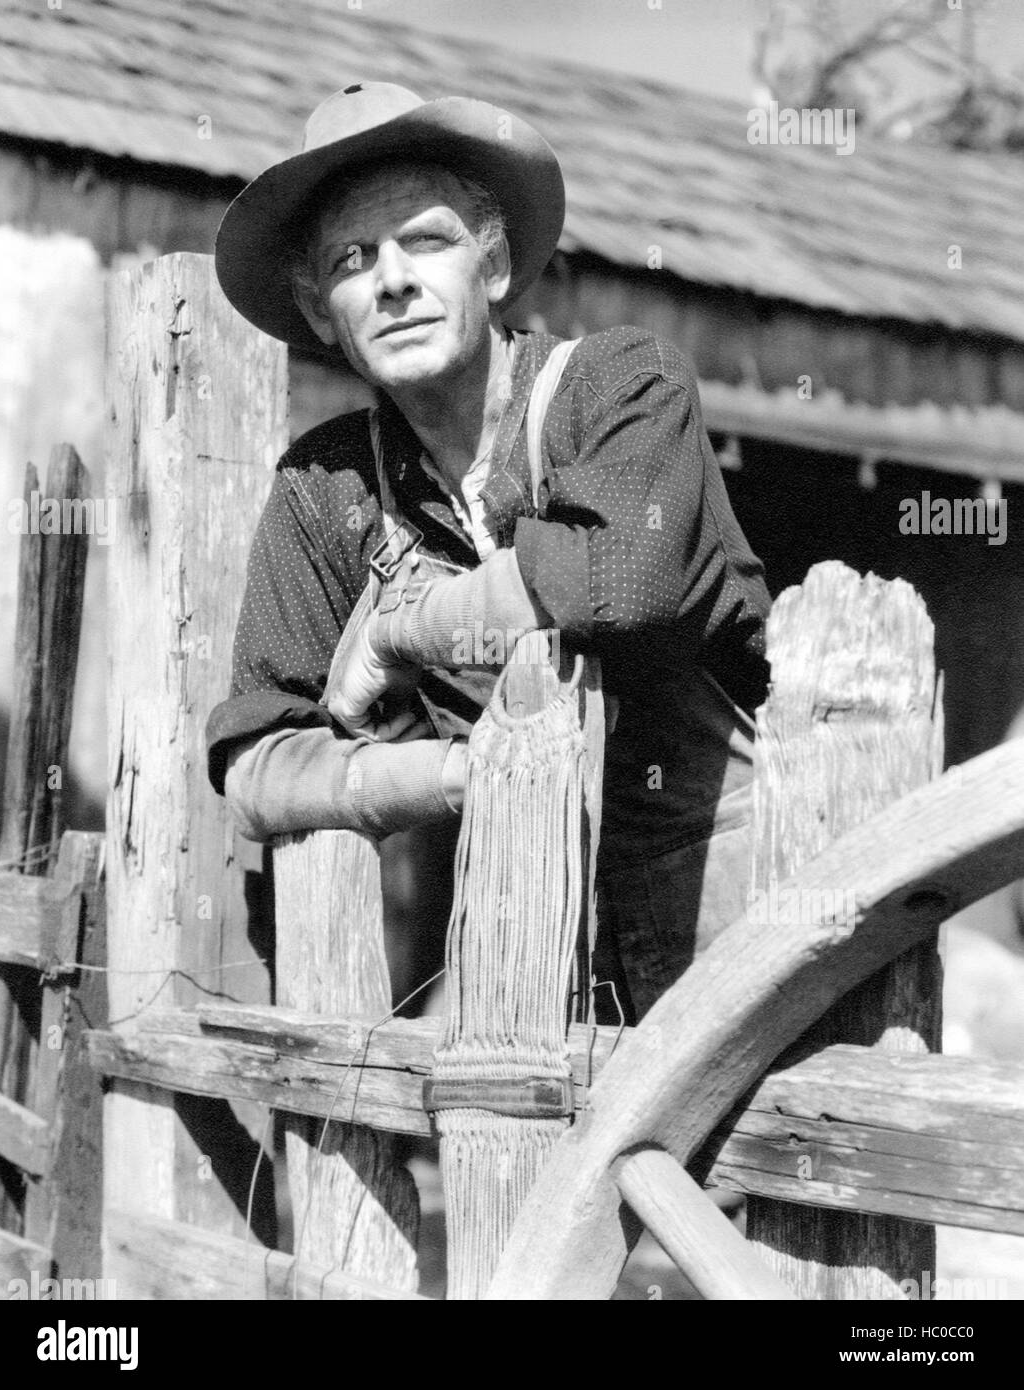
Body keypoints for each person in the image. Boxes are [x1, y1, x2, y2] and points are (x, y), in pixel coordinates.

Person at [206, 81, 772, 1024]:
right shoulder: (329, 485)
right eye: (351, 260)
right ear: (319, 309)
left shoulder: (618, 384)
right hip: (528, 949)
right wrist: (450, 779)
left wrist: (395, 633)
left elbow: (616, 584)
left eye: (424, 241)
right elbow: (256, 767)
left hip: (739, 930)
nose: (390, 280)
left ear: (494, 265)